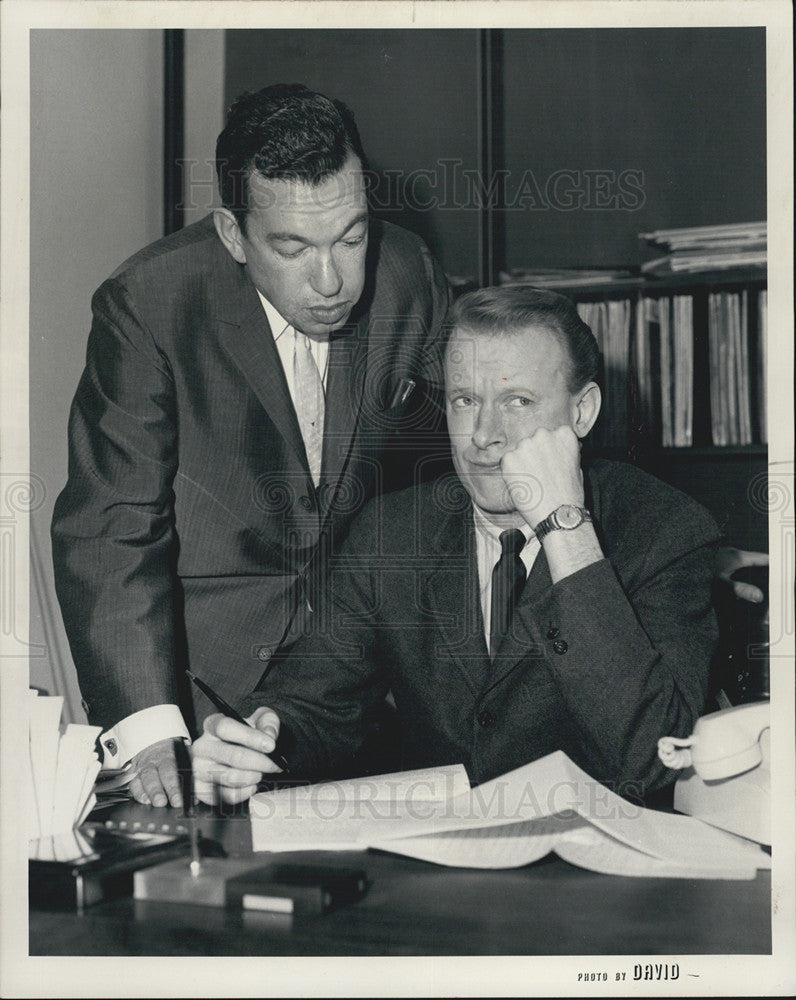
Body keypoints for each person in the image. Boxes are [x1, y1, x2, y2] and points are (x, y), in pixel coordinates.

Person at [51, 84, 450, 808]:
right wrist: (149, 740)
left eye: (351, 237)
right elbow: (111, 530)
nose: (333, 281)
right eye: (293, 247)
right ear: (233, 234)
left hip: (361, 701)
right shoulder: (150, 304)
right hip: (204, 714)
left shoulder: (408, 279)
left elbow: (442, 487)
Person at [192, 285, 723, 805]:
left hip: (600, 876)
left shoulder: (665, 530)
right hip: (435, 868)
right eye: (465, 400)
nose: (483, 435)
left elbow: (655, 757)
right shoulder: (393, 533)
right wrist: (260, 737)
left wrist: (566, 528)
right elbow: (317, 704)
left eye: (518, 401)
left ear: (581, 412)